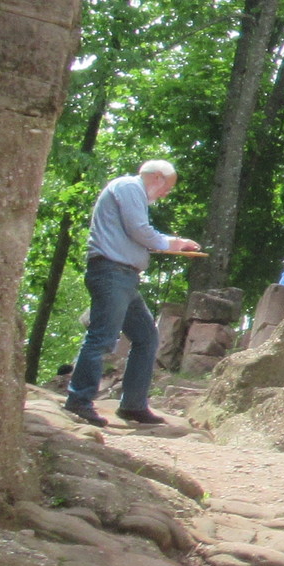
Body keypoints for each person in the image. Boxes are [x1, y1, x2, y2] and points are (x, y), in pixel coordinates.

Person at [65, 160, 205, 428]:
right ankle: (79, 400)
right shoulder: (129, 187)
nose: (165, 194)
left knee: (146, 337)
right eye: (167, 188)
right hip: (111, 273)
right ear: (157, 177)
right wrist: (173, 243)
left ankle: (133, 405)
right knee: (102, 338)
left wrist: (170, 243)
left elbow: (136, 233)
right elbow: (139, 230)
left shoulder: (133, 193)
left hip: (124, 277)